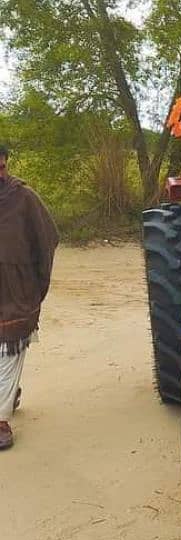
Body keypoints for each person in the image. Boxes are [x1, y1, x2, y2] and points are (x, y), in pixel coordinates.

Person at [0, 145, 59, 449]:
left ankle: (0, 419)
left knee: (10, 347)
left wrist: (35, 283)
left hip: (14, 290)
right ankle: (7, 393)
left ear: (4, 163)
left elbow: (47, 238)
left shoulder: (23, 197)